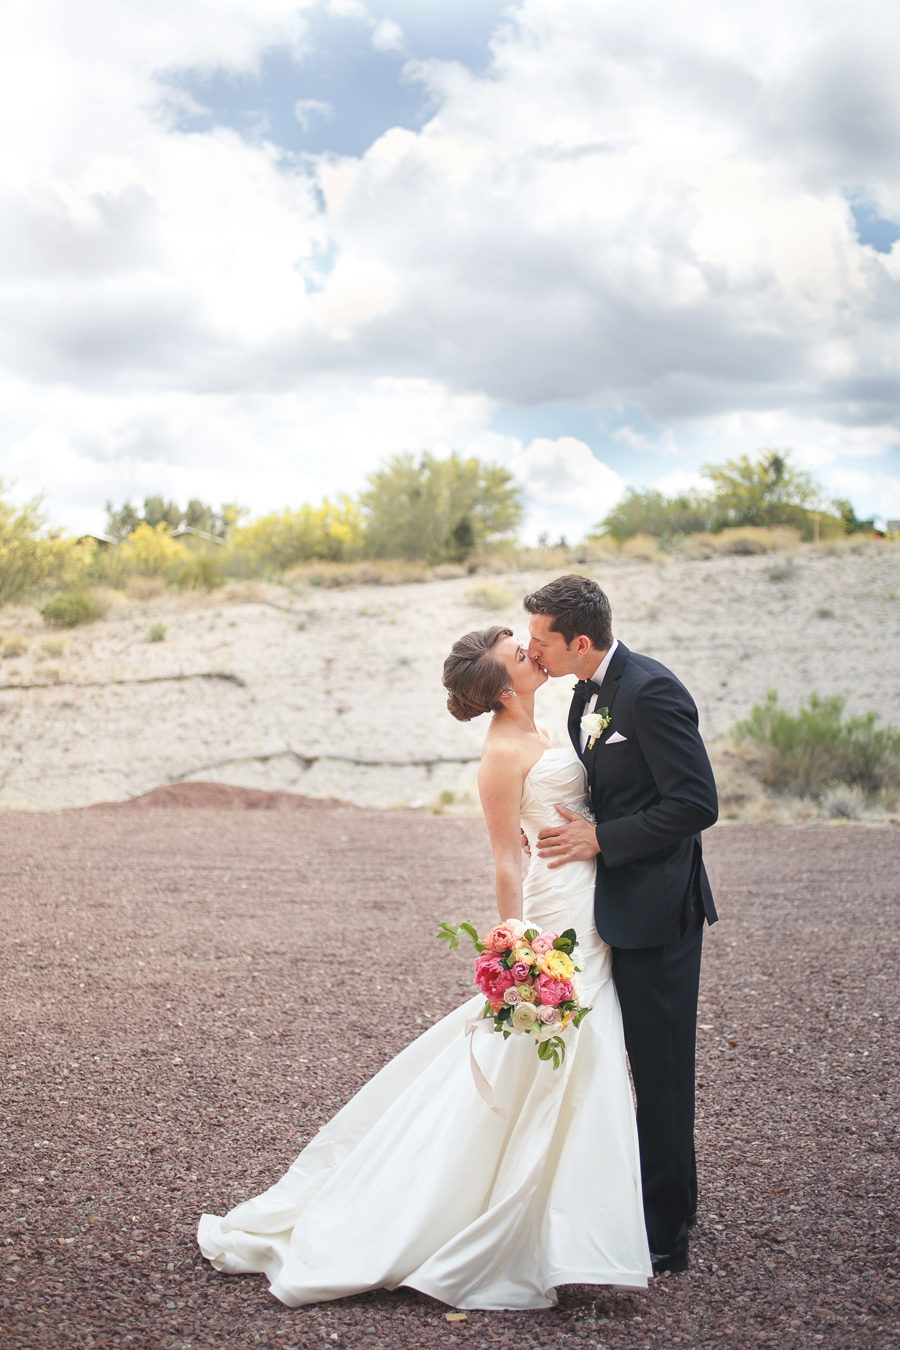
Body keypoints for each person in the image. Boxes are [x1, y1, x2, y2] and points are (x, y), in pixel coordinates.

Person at [197, 625, 652, 1309]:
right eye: (521, 655)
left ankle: (567, 1221)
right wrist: (519, 946)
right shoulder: (500, 753)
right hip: (554, 911)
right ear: (502, 687)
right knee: (543, 1047)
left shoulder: (551, 721)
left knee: (578, 1048)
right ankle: (480, 1217)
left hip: (590, 900)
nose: (534, 656)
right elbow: (506, 855)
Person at [523, 575, 719, 1275]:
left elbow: (696, 803)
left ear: (579, 641)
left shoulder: (650, 691)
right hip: (604, 908)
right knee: (617, 1062)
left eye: (540, 638)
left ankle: (667, 1236)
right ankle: (650, 1207)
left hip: (659, 911)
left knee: (660, 1073)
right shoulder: (585, 693)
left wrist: (604, 840)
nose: (530, 648)